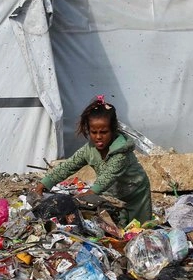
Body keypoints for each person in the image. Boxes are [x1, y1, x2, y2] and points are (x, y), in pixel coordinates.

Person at [33, 96, 153, 226]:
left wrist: (86, 195)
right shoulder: (89, 150)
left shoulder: (121, 152)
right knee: (118, 228)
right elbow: (68, 166)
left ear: (113, 130)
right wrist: (44, 183)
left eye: (104, 132)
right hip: (113, 194)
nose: (98, 137)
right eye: (94, 132)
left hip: (136, 194)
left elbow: (107, 176)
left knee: (141, 229)